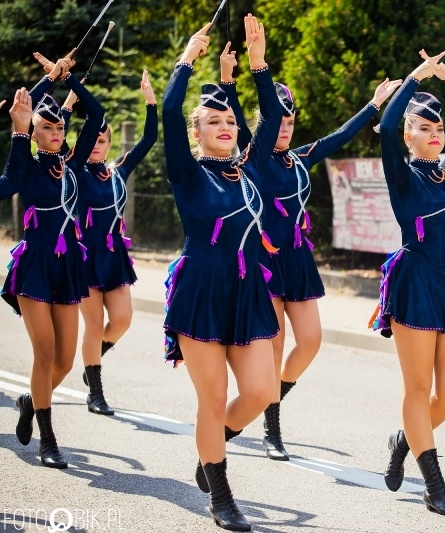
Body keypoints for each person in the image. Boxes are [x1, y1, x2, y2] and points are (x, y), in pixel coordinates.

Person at [221, 47, 401, 460]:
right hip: (263, 262)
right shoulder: (254, 156)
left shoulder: (301, 159)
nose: (284, 126)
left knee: (311, 341)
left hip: (298, 260)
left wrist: (373, 104)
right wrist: (229, 80)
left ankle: (272, 399)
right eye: (278, 119)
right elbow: (248, 116)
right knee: (276, 345)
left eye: (290, 120)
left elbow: (338, 137)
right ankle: (271, 424)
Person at [161, 15, 282, 531]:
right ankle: (221, 493)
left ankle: (209, 452)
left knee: (260, 392)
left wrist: (258, 67)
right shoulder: (188, 172)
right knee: (210, 398)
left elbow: (272, 120)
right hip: (201, 289)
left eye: (229, 120)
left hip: (247, 288)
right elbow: (168, 110)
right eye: (213, 122)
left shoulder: (250, 169)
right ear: (197, 133)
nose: (225, 126)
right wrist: (187, 60)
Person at [371, 50, 445, 517]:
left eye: (439, 129)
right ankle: (435, 487)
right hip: (416, 281)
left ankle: (405, 438)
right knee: (417, 390)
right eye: (425, 128)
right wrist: (415, 79)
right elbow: (383, 126)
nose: (436, 134)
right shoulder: (402, 175)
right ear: (409, 134)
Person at [1, 52, 105, 469]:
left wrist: (68, 78)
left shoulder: (74, 163)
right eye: (48, 128)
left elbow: (95, 112)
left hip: (68, 267)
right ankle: (48, 439)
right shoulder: (25, 165)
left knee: (64, 360)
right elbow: (8, 179)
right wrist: (21, 124)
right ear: (33, 132)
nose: (58, 133)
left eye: (61, 127)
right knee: (45, 353)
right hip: (34, 266)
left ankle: (31, 399)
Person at [56, 69, 157, 416]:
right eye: (92, 138)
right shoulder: (75, 166)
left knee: (123, 319)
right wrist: (69, 101)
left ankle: (92, 360)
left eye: (103, 139)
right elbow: (59, 136)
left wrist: (150, 102)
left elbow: (148, 139)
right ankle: (95, 392)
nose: (97, 142)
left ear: (110, 142)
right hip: (84, 257)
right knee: (94, 324)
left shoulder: (119, 170)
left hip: (114, 257)